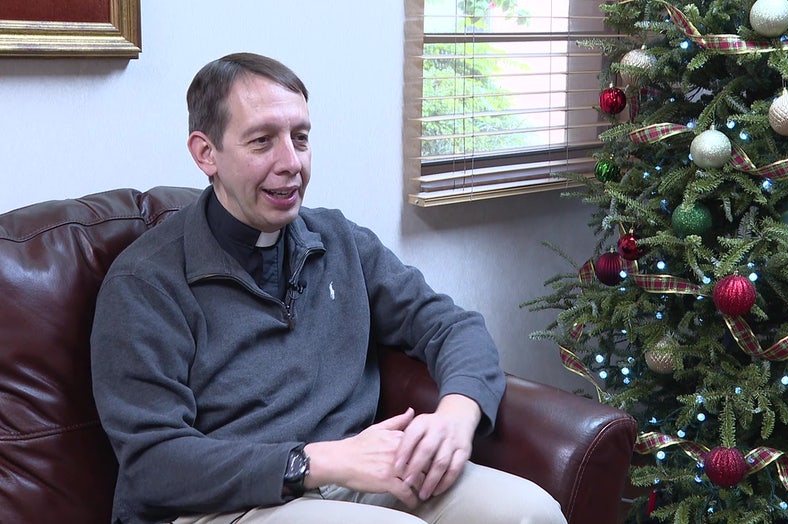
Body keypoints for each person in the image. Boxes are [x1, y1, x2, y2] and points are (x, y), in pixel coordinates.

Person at [89, 52, 567, 524]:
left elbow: (452, 327)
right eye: (261, 142)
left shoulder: (338, 241)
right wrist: (322, 461)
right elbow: (154, 464)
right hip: (223, 505)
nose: (291, 163)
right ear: (205, 153)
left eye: (300, 138)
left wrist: (457, 416)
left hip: (354, 482)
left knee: (531, 512)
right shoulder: (145, 283)